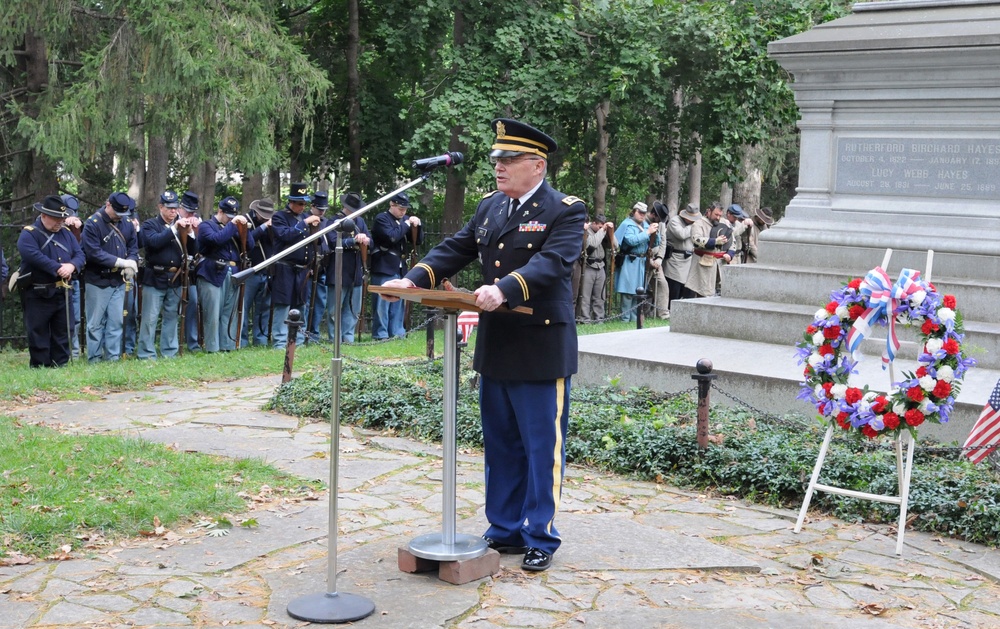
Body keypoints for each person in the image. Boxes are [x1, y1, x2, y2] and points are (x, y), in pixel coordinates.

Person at [381, 118, 586, 572]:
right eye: (497, 159)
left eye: (509, 159)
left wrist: (507, 286)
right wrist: (412, 279)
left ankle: (539, 534)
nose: (499, 167)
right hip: (496, 345)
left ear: (537, 165)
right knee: (501, 444)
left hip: (539, 345)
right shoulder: (491, 207)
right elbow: (455, 249)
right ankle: (505, 527)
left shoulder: (565, 209)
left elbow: (554, 262)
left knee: (539, 448)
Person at [16, 195, 86, 367]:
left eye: (62, 219)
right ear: (44, 216)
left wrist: (72, 266)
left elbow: (80, 254)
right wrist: (57, 268)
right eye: (56, 219)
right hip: (38, 291)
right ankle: (40, 368)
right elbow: (33, 256)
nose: (59, 223)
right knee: (38, 332)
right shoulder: (29, 234)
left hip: (62, 291)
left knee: (63, 331)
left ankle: (59, 366)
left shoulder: (67, 234)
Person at [82, 192, 139, 362]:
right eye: (117, 213)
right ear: (108, 205)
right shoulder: (93, 224)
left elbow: (133, 247)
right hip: (97, 279)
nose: (119, 217)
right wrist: (121, 262)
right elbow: (93, 253)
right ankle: (94, 358)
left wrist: (131, 261)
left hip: (118, 280)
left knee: (116, 322)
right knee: (95, 324)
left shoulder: (127, 223)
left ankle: (113, 358)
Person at [137, 191, 189, 359]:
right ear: (160, 207)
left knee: (172, 317)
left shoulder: (181, 226)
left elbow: (193, 250)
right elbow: (153, 243)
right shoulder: (150, 224)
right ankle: (146, 353)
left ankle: (169, 352)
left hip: (175, 278)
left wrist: (191, 233)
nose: (173, 211)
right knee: (149, 319)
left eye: (175, 208)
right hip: (155, 276)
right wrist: (174, 229)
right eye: (169, 208)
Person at [196, 196, 251, 352]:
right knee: (212, 313)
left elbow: (250, 245)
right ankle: (212, 348)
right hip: (212, 272)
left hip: (233, 272)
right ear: (220, 211)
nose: (231, 219)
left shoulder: (234, 227)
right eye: (229, 216)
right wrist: (233, 225)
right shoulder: (207, 225)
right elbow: (216, 239)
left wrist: (245, 230)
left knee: (231, 312)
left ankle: (228, 345)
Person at [270, 182, 320, 349]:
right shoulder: (280, 217)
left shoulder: (303, 218)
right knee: (283, 305)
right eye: (300, 203)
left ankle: (298, 341)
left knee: (300, 304)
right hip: (285, 266)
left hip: (302, 269)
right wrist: (304, 223)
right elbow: (285, 235)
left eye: (304, 203)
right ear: (291, 202)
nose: (302, 206)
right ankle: (280, 342)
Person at [370, 192, 423, 339]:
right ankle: (381, 334)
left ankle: (397, 332)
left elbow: (417, 241)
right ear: (391, 205)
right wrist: (406, 224)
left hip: (399, 267)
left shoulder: (405, 220)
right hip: (384, 265)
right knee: (382, 303)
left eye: (405, 209)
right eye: (400, 208)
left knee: (398, 301)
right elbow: (392, 237)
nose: (403, 212)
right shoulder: (382, 219)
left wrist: (417, 226)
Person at [324, 191, 370, 343]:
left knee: (353, 308)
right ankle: (334, 338)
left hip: (356, 269)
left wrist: (366, 240)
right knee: (334, 309)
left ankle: (348, 337)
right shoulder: (334, 221)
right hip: (339, 269)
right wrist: (353, 241)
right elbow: (332, 242)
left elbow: (371, 243)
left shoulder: (360, 222)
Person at [613, 201, 657, 322]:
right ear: (634, 211)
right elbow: (631, 241)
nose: (642, 215)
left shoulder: (646, 225)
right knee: (627, 292)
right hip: (629, 260)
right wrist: (648, 232)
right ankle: (625, 319)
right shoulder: (627, 224)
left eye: (644, 213)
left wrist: (655, 233)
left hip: (641, 261)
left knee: (637, 292)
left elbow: (655, 243)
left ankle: (634, 319)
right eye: (639, 212)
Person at [241, 198, 276, 347]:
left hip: (266, 270)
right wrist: (263, 228)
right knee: (243, 308)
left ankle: (260, 339)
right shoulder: (245, 221)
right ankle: (241, 340)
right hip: (249, 271)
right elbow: (247, 241)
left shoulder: (272, 224)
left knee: (264, 308)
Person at [685, 201, 729, 298]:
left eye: (720, 215)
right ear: (709, 211)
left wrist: (730, 253)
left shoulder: (724, 223)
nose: (718, 217)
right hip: (703, 264)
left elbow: (731, 239)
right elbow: (696, 239)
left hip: (720, 264)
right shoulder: (698, 223)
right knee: (703, 294)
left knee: (721, 294)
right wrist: (715, 241)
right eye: (716, 214)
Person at [176, 191, 202, 351]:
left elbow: (200, 249)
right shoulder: (173, 222)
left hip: (190, 271)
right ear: (180, 208)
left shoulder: (199, 224)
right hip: (172, 271)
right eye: (187, 212)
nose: (190, 215)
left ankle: (192, 342)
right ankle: (171, 343)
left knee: (192, 303)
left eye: (192, 212)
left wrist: (196, 231)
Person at [577, 212, 615, 322]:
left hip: (600, 266)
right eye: (599, 226)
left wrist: (610, 232)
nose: (600, 228)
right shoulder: (586, 231)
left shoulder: (603, 232)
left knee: (600, 296)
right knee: (585, 295)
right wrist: (602, 230)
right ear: (594, 223)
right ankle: (585, 318)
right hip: (588, 265)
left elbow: (615, 246)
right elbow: (591, 244)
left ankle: (599, 318)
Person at [60, 193, 84, 358]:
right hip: (54, 280)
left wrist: (77, 229)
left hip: (74, 280)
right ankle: (61, 350)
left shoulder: (78, 228)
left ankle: (74, 352)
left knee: (75, 319)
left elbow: (81, 253)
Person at [304, 191, 330, 340]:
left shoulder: (326, 222)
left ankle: (314, 333)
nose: (322, 212)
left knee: (320, 303)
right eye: (319, 209)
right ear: (312, 206)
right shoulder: (305, 220)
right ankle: (305, 333)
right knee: (307, 302)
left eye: (323, 209)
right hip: (309, 267)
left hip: (323, 268)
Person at [665, 204, 700, 307]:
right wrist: (694, 226)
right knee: (674, 289)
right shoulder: (674, 221)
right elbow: (682, 234)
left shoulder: (692, 224)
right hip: (675, 260)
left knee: (688, 289)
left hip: (689, 260)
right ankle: (670, 310)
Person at [647, 201, 671, 319]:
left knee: (663, 285)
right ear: (653, 215)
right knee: (642, 287)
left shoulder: (661, 224)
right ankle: (640, 314)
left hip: (657, 260)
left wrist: (660, 258)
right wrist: (649, 260)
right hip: (644, 260)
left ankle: (663, 313)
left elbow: (663, 242)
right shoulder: (644, 223)